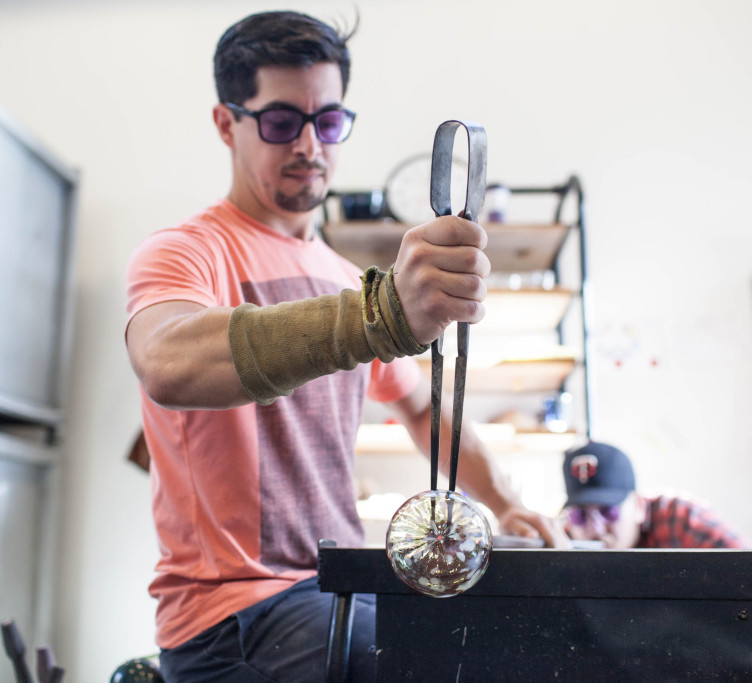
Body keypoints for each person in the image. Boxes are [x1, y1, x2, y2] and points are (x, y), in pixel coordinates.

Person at [124, 11, 566, 682]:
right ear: (226, 123)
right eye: (280, 122)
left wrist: (505, 502)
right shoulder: (187, 252)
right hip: (232, 619)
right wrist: (382, 311)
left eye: (327, 122)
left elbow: (423, 407)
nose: (310, 145)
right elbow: (167, 361)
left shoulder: (337, 274)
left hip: (335, 586)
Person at [560, 441, 752, 683]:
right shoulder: (568, 543)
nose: (595, 528)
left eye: (609, 511)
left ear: (638, 505)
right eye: (581, 516)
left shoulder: (681, 521)